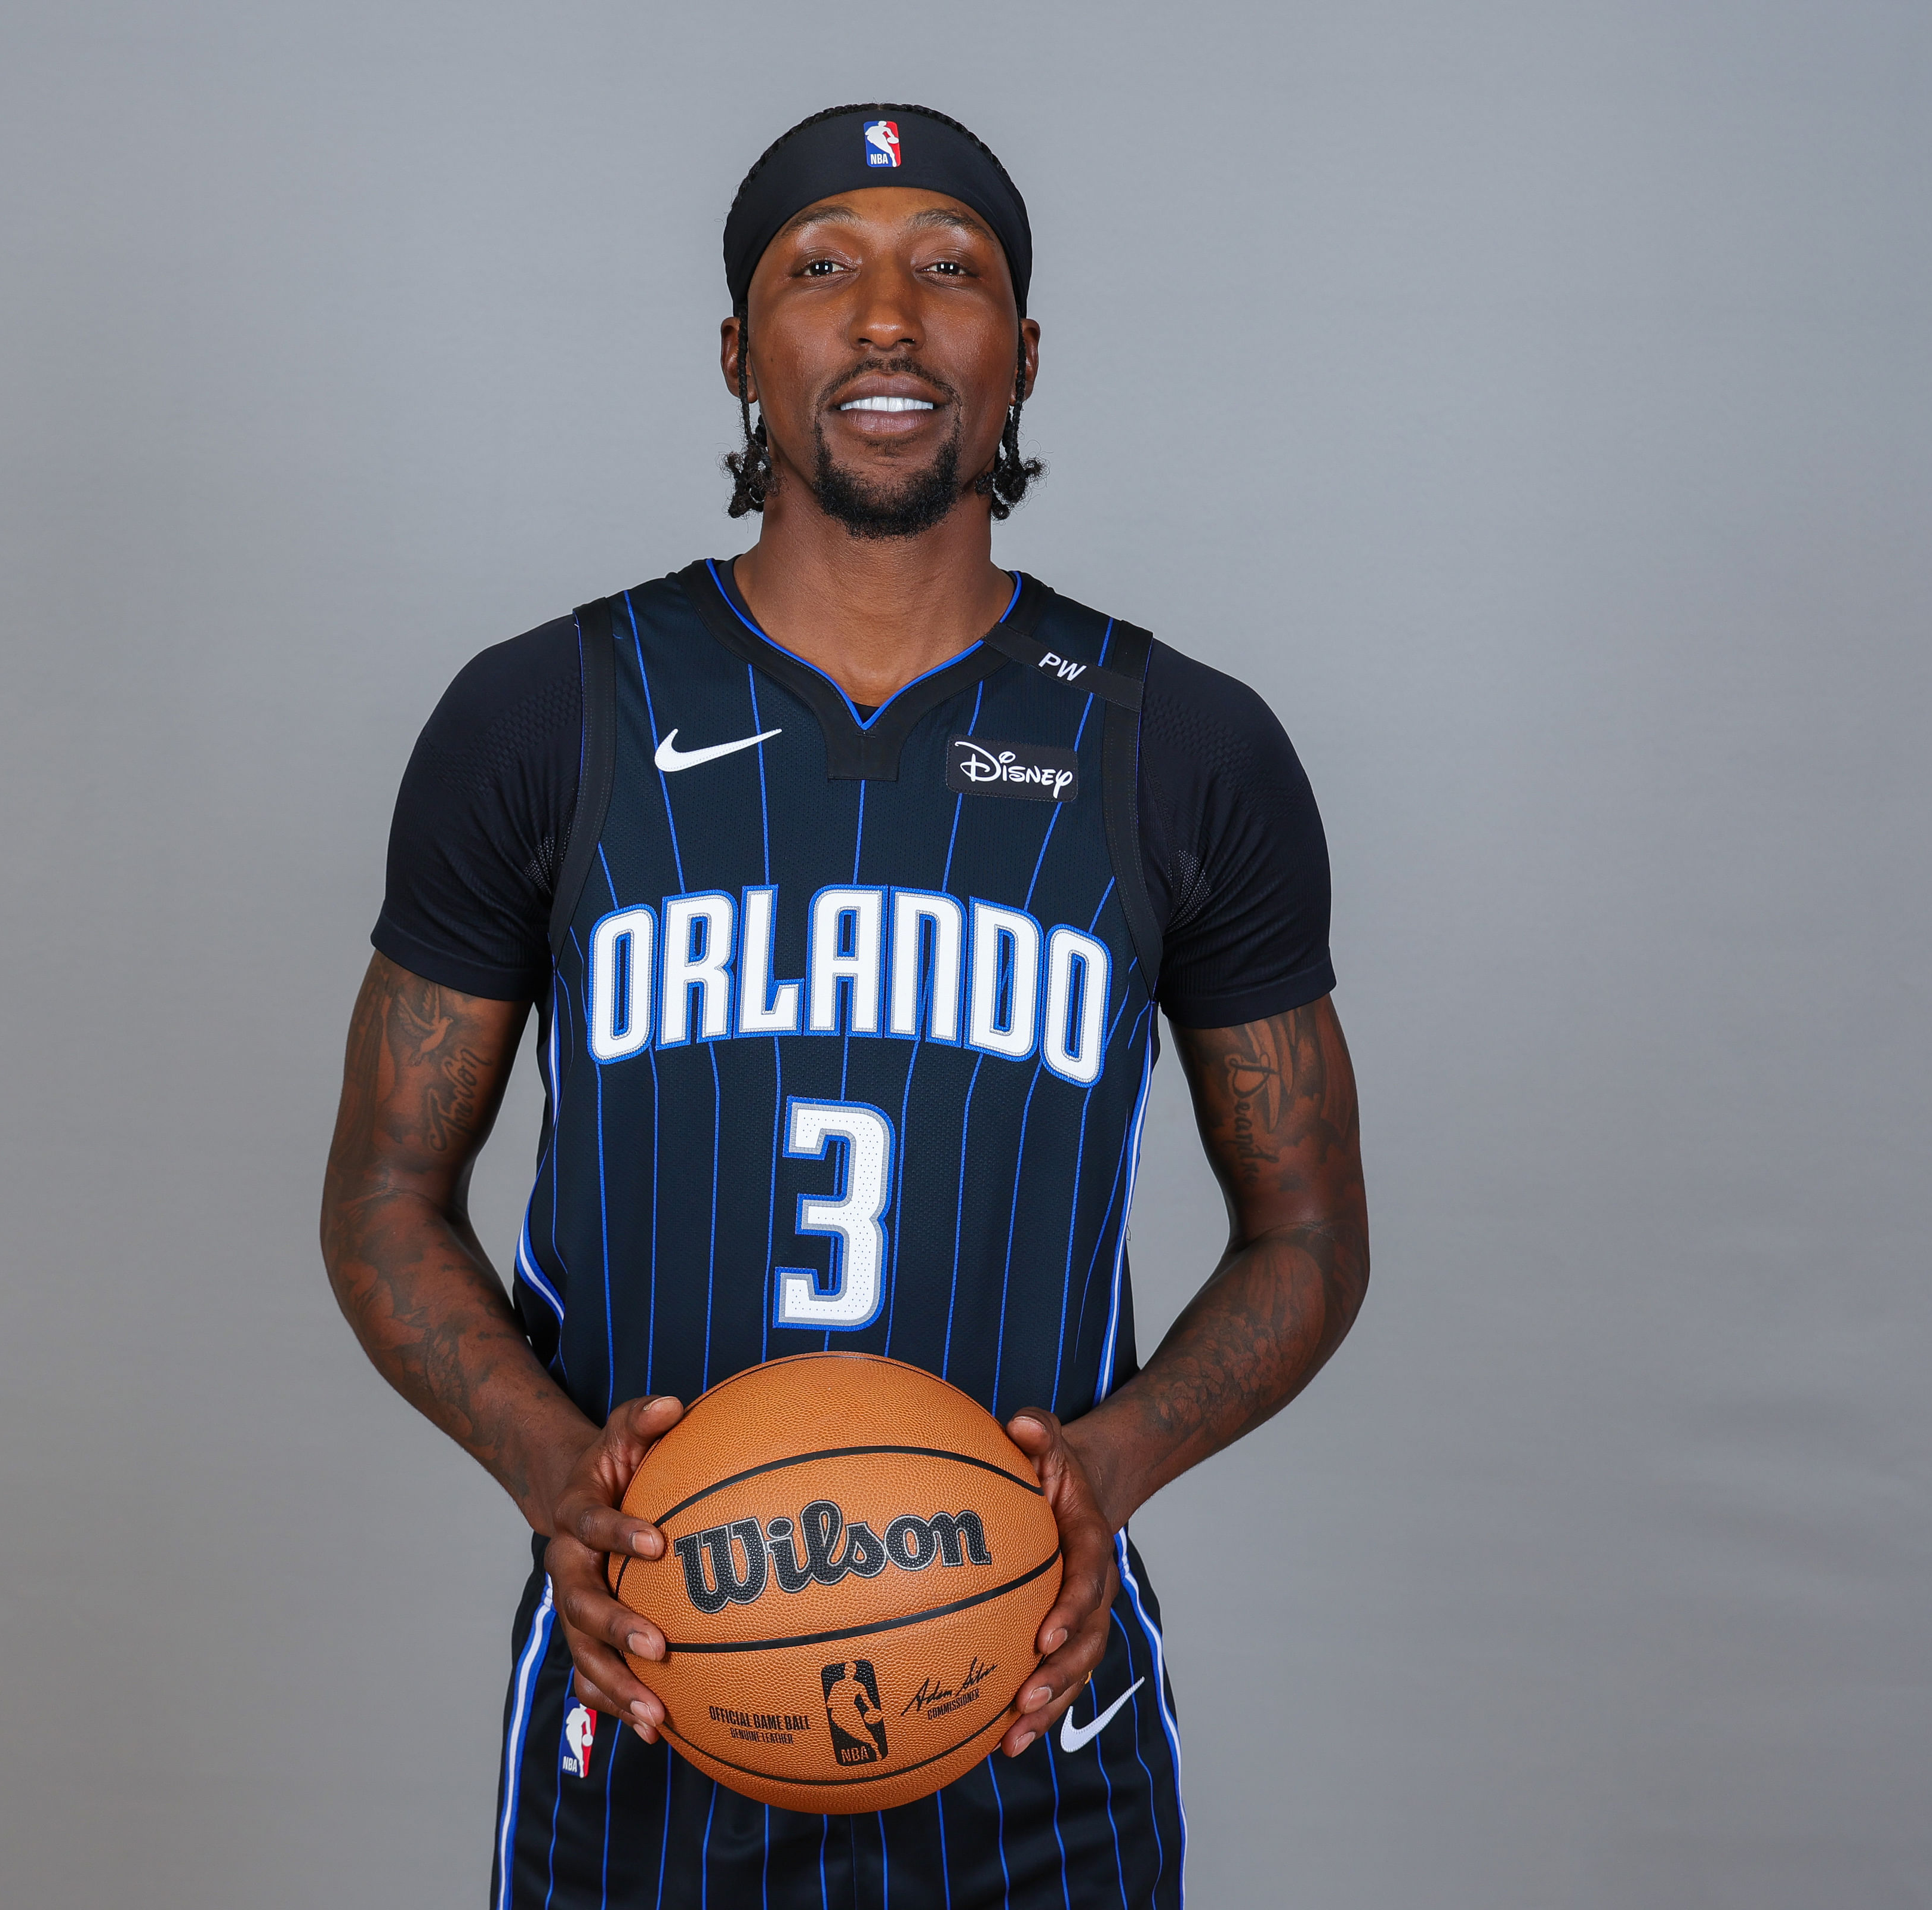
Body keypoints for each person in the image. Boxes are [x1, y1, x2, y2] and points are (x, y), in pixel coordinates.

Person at [321, 102, 1369, 1909]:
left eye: (949, 270)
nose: (888, 317)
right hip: (640, 1703)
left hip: (1038, 1722)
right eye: (822, 270)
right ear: (740, 352)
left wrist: (1112, 1466)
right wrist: (558, 1476)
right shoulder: (543, 716)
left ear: (1021, 354)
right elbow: (382, 1199)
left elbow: (1311, 1237)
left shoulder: (1183, 745)